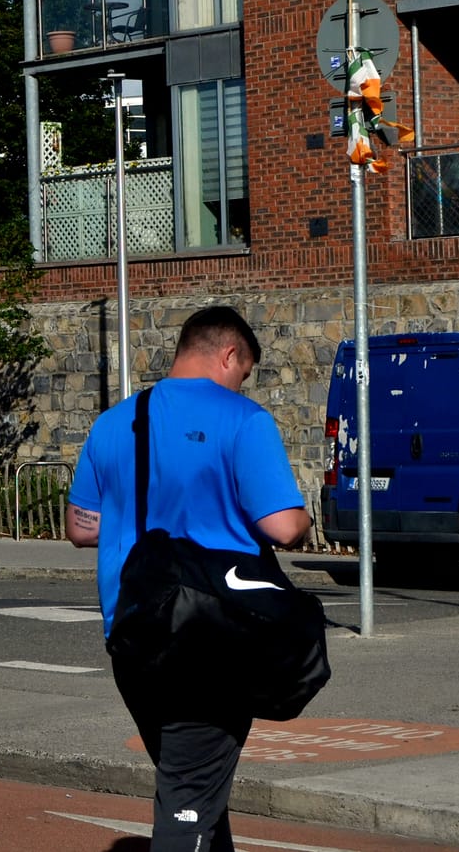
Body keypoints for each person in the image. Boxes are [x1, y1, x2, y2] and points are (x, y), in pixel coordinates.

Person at [64, 305, 310, 852]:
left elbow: (83, 529)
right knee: (190, 797)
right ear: (228, 354)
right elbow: (285, 528)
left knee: (194, 781)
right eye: (242, 372)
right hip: (213, 638)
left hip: (132, 634)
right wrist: (302, 515)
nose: (240, 383)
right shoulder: (243, 421)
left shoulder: (113, 422)